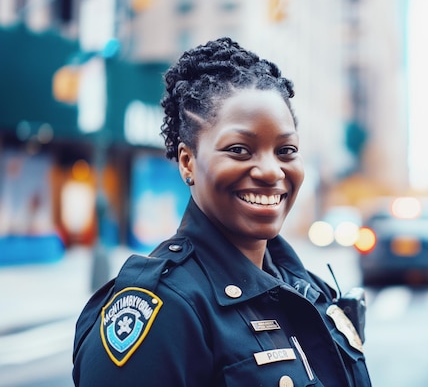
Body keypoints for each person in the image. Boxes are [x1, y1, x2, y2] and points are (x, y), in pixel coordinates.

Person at [72, 37, 372, 387]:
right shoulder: (163, 309)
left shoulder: (307, 288)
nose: (272, 171)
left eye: (286, 149)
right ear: (188, 162)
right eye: (240, 150)